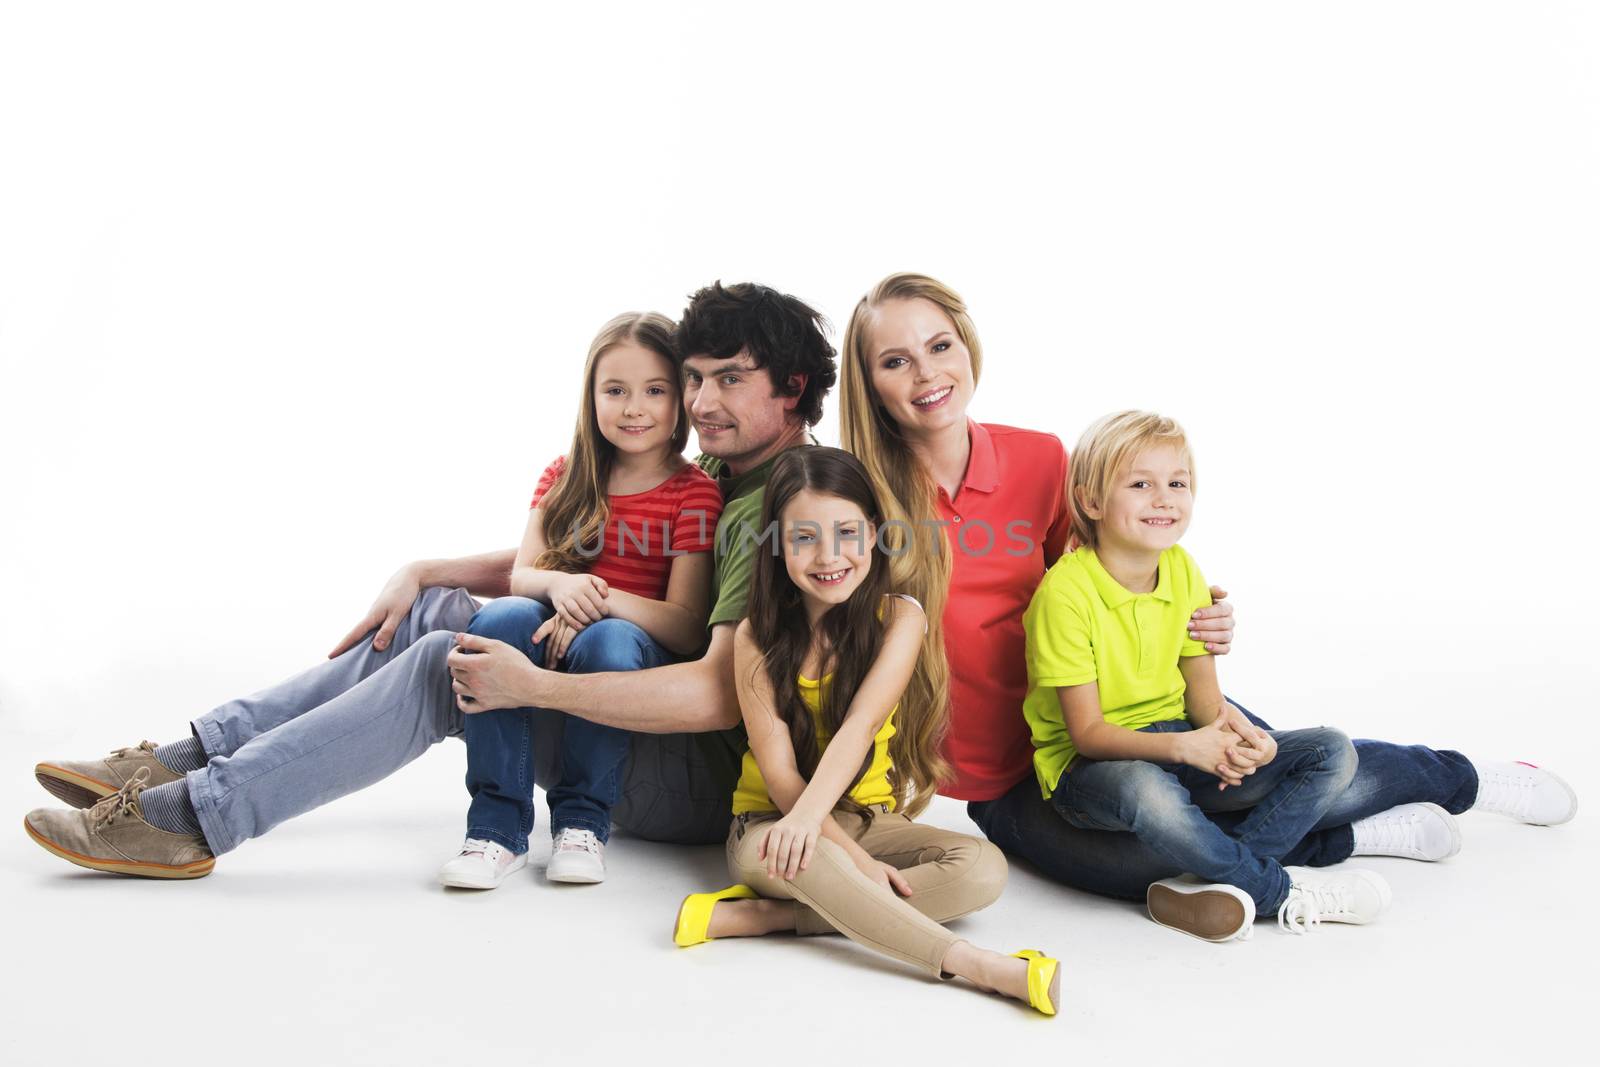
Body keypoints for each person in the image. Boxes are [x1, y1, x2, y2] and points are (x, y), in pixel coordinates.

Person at [836, 272, 1577, 936]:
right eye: (896, 360)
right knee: (1143, 868)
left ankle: (1464, 778)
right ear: (869, 382)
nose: (926, 372)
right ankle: (1344, 841)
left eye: (940, 345)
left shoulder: (1040, 458)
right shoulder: (857, 498)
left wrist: (1192, 618)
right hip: (1013, 777)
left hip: (1129, 707)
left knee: (1280, 766)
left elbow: (1097, 578)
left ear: (968, 346)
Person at [24, 281, 839, 879]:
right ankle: (195, 754)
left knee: (451, 664)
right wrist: (430, 569)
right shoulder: (723, 470)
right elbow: (593, 557)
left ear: (791, 389)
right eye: (693, 379)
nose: (697, 401)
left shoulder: (774, 508)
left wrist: (529, 688)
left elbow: (715, 695)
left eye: (726, 378)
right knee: (445, 611)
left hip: (686, 778)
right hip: (637, 719)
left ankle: (199, 816)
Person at [672, 447, 1059, 1016]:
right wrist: (836, 847)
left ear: (875, 533)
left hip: (870, 819)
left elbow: (861, 726)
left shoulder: (901, 617)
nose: (829, 556)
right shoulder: (756, 635)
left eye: (847, 532)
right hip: (774, 827)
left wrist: (855, 850)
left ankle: (771, 918)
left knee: (984, 869)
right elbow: (779, 772)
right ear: (777, 545)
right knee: (816, 862)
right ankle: (976, 964)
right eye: (803, 537)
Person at [1025, 410, 1390, 939]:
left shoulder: (1183, 569)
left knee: (1331, 750)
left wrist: (1242, 736)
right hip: (1089, 770)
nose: (1164, 498)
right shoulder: (1065, 594)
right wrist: (1187, 748)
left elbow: (1204, 703)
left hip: (1180, 737)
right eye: (1140, 484)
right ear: (1092, 502)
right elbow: (1088, 735)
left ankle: (1220, 885)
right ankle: (1277, 892)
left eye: (1177, 483)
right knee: (1149, 792)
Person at [438, 312, 725, 889]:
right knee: (499, 617)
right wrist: (562, 587)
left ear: (679, 401)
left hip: (630, 655)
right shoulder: (565, 476)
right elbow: (524, 575)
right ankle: (496, 830)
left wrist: (595, 600)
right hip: (553, 631)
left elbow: (687, 626)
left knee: (609, 637)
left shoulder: (693, 493)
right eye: (615, 390)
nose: (633, 407)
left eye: (655, 390)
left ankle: (582, 824)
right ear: (591, 397)